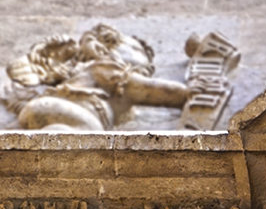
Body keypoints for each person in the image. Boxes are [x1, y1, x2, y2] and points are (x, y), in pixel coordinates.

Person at [7, 24, 196, 130]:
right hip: (68, 110)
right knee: (88, 137)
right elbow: (153, 90)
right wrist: (191, 93)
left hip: (47, 109)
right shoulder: (107, 67)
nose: (147, 67)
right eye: (135, 50)